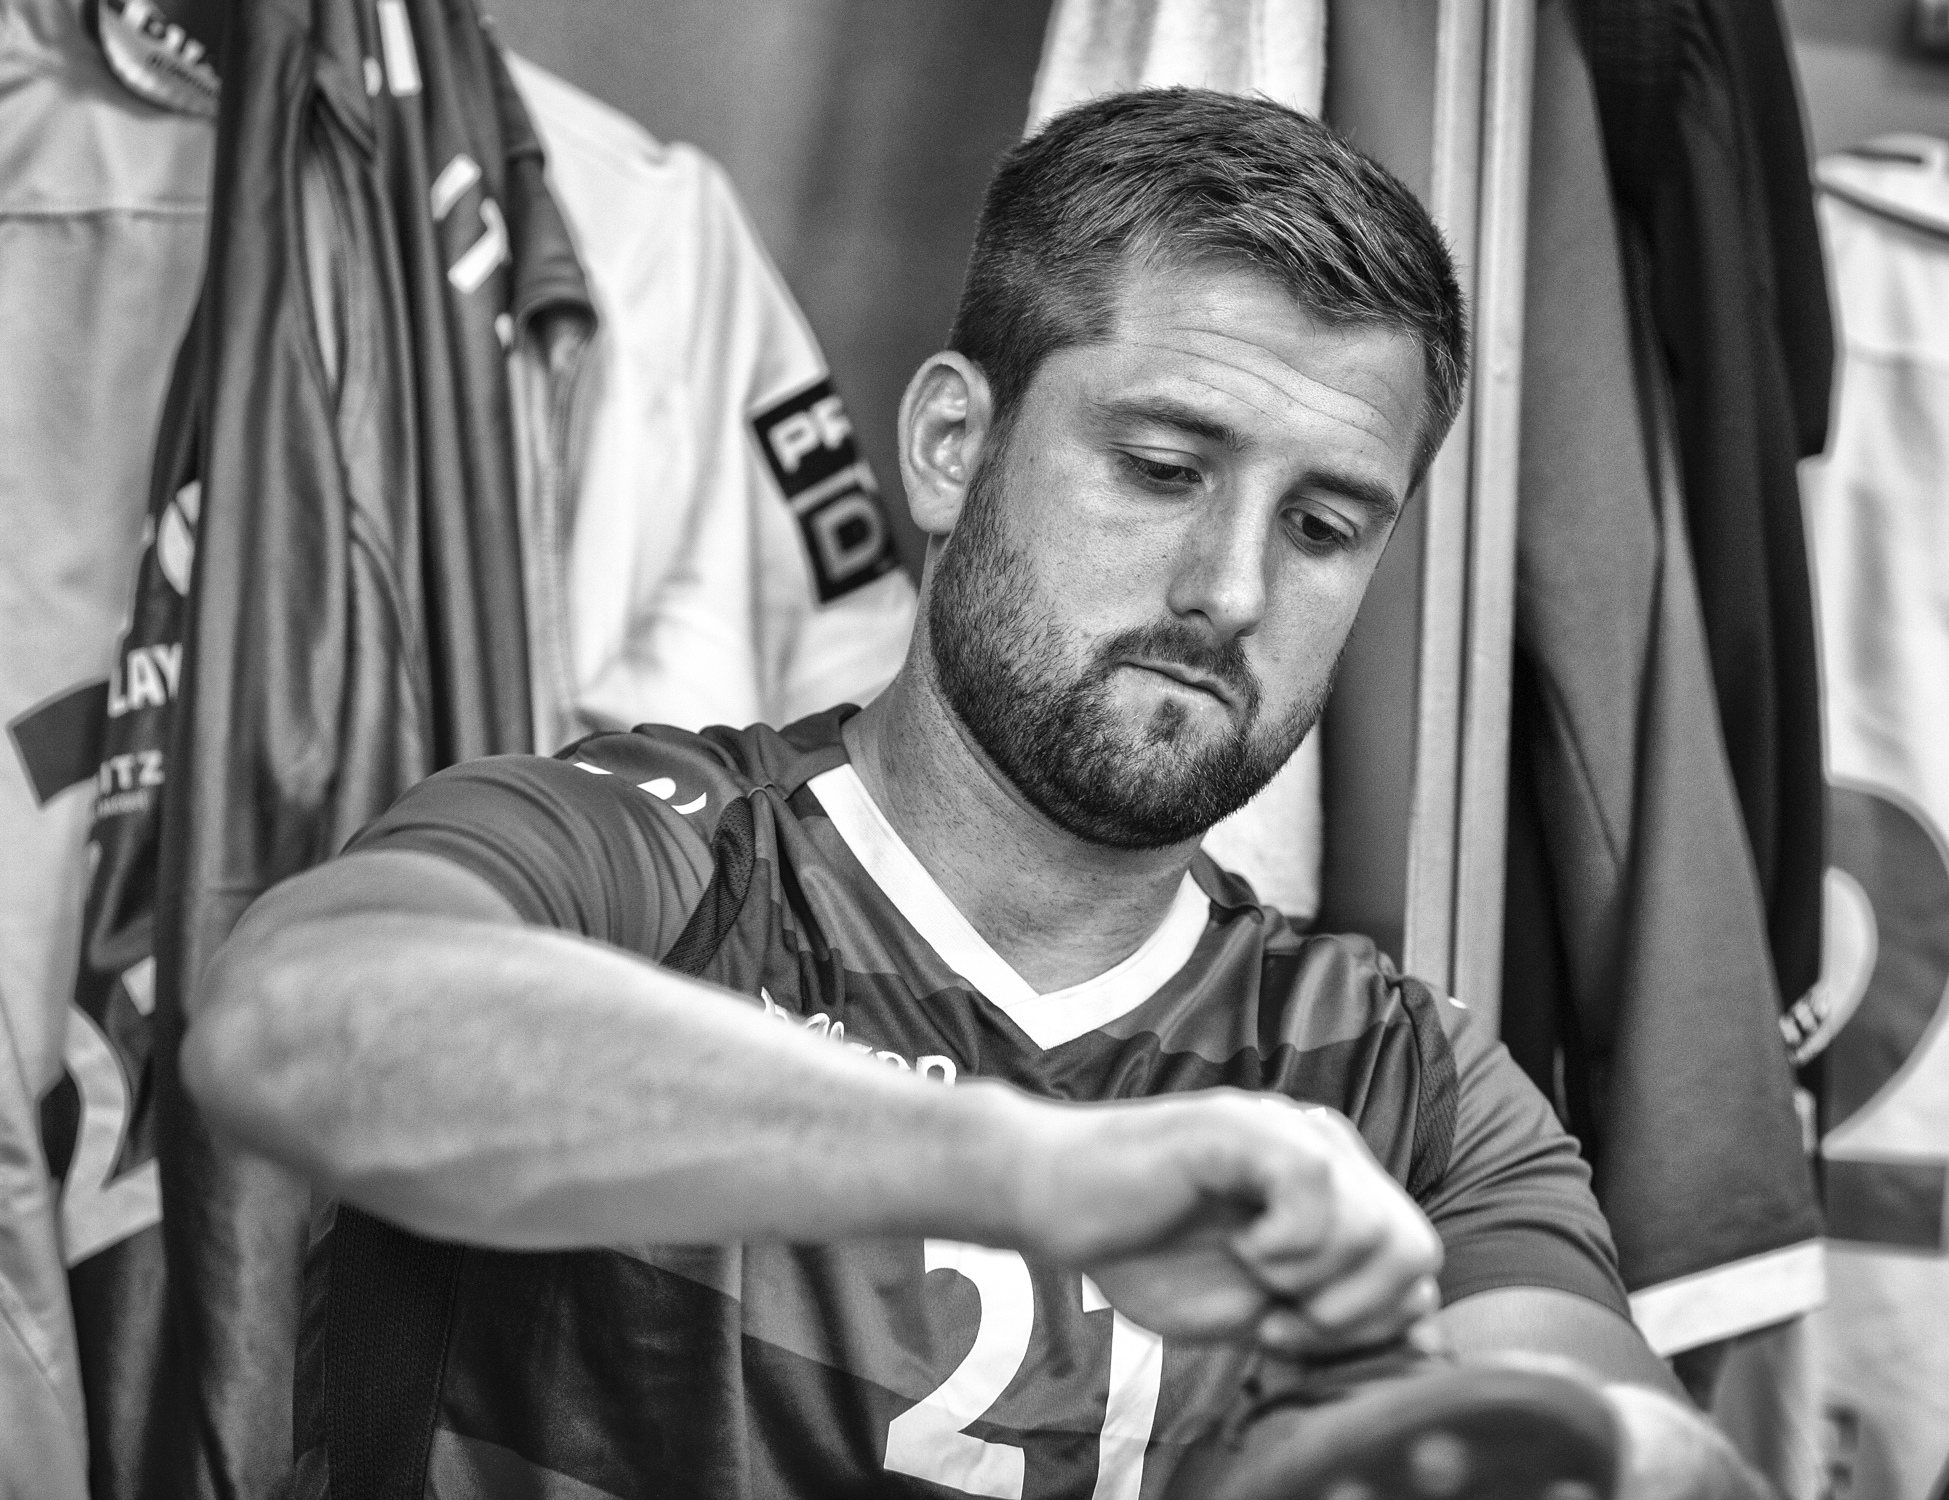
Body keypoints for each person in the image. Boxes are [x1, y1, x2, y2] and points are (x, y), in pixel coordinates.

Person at [187, 88, 1764, 1500]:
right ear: (951, 444)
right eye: (1162, 467)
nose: (1229, 590)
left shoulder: (1402, 1085)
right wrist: (1029, 1172)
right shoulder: (641, 852)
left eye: (1323, 527)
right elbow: (288, 1027)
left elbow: (1604, 1434)